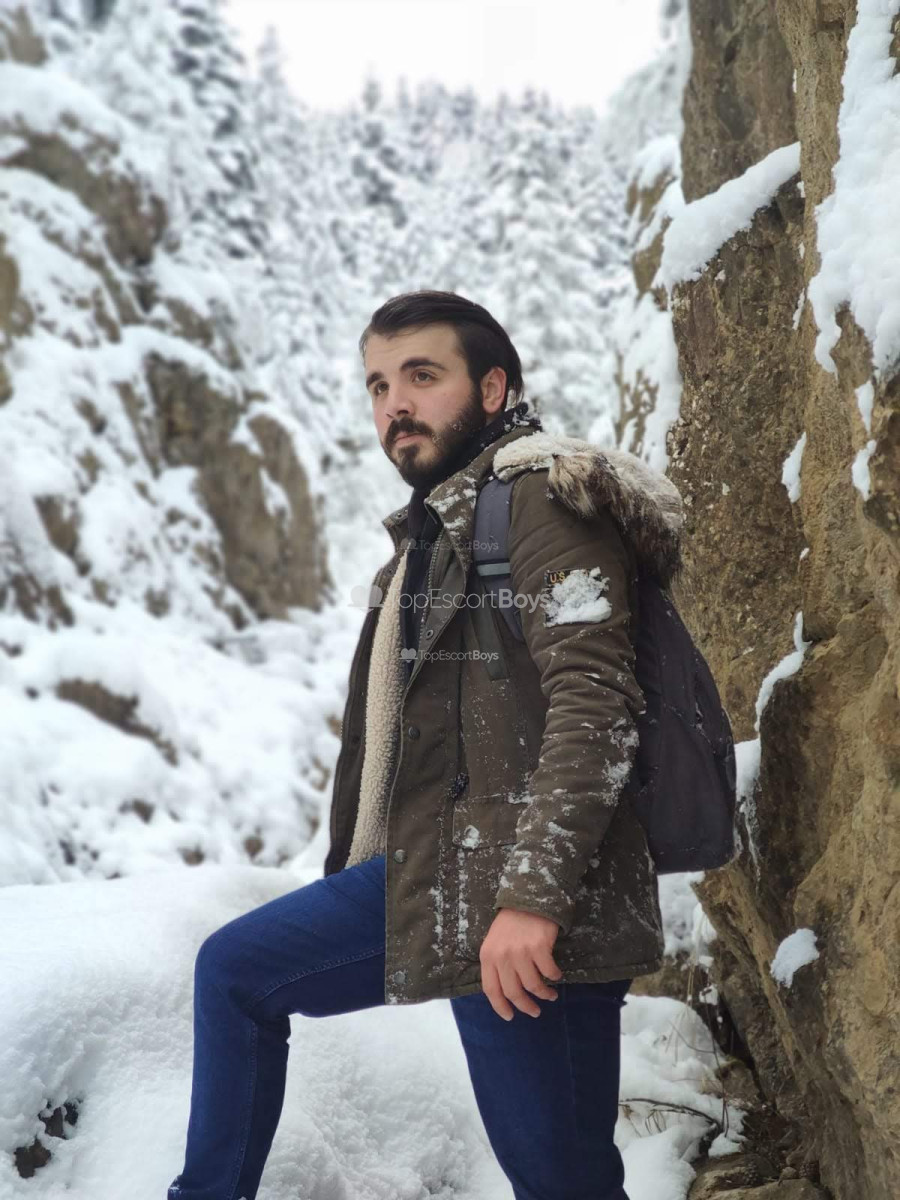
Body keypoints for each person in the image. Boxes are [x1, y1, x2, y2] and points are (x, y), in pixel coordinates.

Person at [167, 290, 683, 1200]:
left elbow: (595, 706)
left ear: (492, 388)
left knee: (561, 1183)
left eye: (421, 376)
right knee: (236, 973)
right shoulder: (439, 530)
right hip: (440, 874)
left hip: (533, 904)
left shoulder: (543, 502)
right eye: (377, 385)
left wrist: (532, 900)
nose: (394, 404)